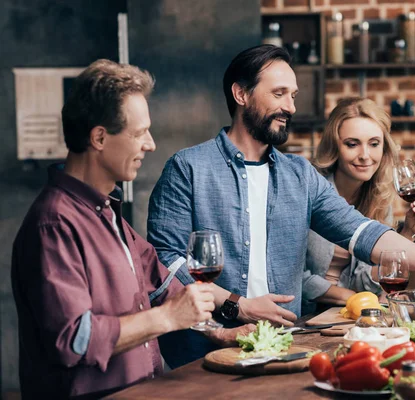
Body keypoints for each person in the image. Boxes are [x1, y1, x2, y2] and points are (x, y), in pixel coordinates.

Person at [147, 45, 415, 368]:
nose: (290, 106)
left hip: (283, 347)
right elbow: (166, 261)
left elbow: (361, 231)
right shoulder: (188, 168)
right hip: (203, 351)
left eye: (293, 95)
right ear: (241, 94)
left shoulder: (299, 175)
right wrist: (238, 305)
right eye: (279, 93)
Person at [11, 59, 252, 400]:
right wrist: (167, 318)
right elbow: (73, 341)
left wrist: (218, 331)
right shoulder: (54, 224)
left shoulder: (108, 212)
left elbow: (163, 287)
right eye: (139, 133)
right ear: (99, 137)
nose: (150, 144)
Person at [302, 97, 415, 313]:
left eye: (374, 144)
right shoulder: (309, 191)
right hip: (304, 315)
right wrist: (355, 299)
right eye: (352, 144)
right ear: (334, 146)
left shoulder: (379, 198)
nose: (365, 156)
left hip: (347, 315)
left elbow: (365, 276)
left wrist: (408, 233)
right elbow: (293, 277)